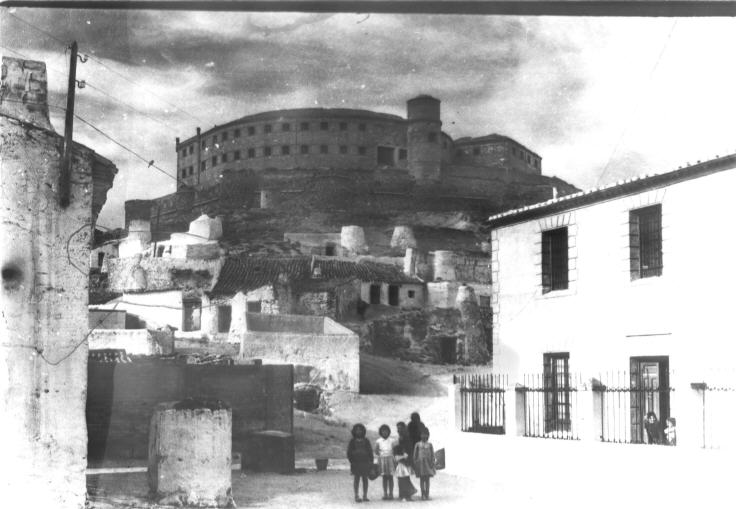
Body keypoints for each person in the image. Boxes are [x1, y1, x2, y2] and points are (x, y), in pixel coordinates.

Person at [347, 423, 373, 502]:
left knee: (365, 479)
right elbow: (349, 452)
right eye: (357, 430)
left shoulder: (366, 441)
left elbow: (370, 452)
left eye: (360, 430)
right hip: (356, 463)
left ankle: (365, 495)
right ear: (354, 431)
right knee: (357, 479)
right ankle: (356, 495)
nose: (359, 432)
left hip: (365, 462)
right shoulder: (352, 441)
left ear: (363, 431)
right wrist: (352, 461)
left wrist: (371, 462)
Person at [413, 427, 436, 501]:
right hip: (421, 464)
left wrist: (432, 462)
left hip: (428, 464)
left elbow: (432, 454)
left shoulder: (430, 444)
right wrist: (415, 462)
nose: (424, 436)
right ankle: (423, 494)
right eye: (422, 434)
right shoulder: (418, 444)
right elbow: (415, 455)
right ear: (420, 435)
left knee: (427, 479)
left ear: (428, 435)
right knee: (422, 479)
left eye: (426, 435)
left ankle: (427, 494)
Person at [374, 424, 397, 500]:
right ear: (381, 432)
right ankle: (385, 493)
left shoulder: (392, 440)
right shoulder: (378, 441)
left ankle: (391, 493)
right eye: (383, 431)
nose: (385, 432)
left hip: (390, 459)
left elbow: (394, 450)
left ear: (388, 432)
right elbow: (376, 451)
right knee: (384, 477)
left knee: (390, 477)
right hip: (383, 460)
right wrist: (381, 456)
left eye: (386, 431)